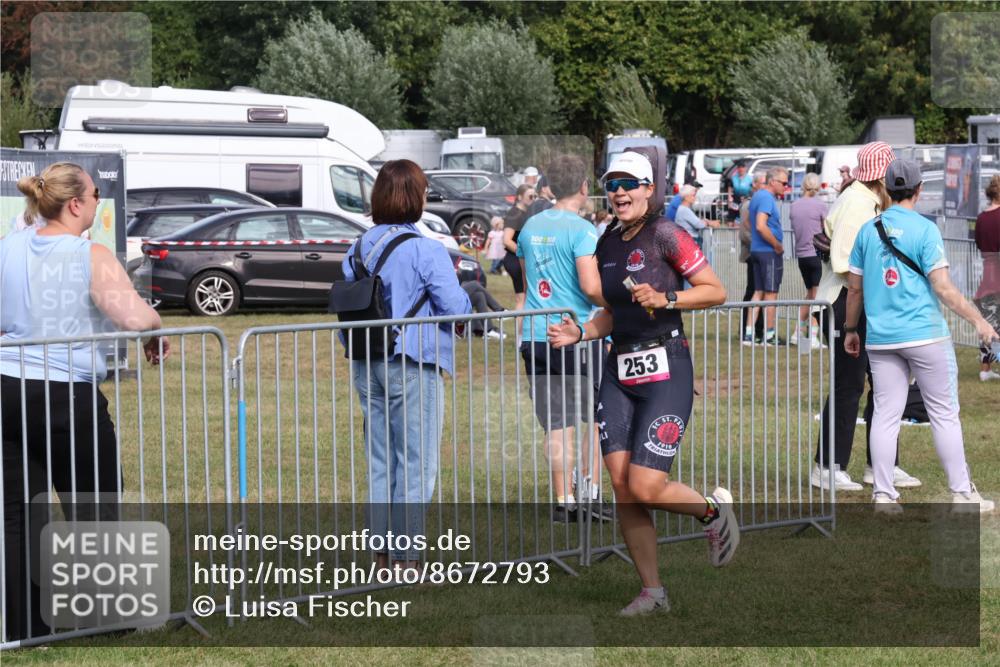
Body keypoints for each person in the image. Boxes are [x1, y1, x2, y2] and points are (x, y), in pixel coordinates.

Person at [548, 150, 738, 616]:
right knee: (622, 485)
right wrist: (582, 332)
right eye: (612, 184)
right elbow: (612, 312)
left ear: (649, 188)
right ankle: (653, 592)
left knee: (647, 485)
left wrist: (666, 296)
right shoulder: (607, 239)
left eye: (629, 184)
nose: (618, 192)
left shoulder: (667, 233)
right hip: (619, 370)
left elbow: (716, 290)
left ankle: (712, 512)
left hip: (666, 367)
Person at [2, 162, 168, 641]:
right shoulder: (89, 254)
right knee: (93, 506)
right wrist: (156, 327)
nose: (97, 201)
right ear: (76, 204)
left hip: (9, 391)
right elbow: (133, 318)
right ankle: (106, 620)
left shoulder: (8, 247)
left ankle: (24, 629)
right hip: (66, 396)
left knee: (20, 513)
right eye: (95, 194)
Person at [341, 159, 472, 572]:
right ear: (417, 197)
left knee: (381, 458)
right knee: (417, 461)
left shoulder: (358, 247)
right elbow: (454, 306)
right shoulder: (425, 248)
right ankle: (407, 558)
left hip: (366, 360)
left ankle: (381, 554)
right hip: (412, 361)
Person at [844, 159, 997, 513]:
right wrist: (978, 320)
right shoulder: (925, 229)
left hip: (882, 338)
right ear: (917, 190)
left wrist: (851, 329)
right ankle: (961, 493)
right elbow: (942, 287)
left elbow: (854, 289)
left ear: (885, 188)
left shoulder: (868, 230)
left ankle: (883, 495)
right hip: (925, 335)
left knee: (885, 415)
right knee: (944, 414)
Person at [813, 142, 919, 491]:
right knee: (849, 385)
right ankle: (828, 466)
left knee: (886, 384)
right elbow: (845, 263)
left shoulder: (869, 202)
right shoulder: (856, 203)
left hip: (865, 302)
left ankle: (882, 463)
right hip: (845, 302)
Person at [517, 154, 611, 522]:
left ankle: (564, 499)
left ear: (551, 186)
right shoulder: (583, 229)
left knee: (557, 422)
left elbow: (528, 283)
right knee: (595, 417)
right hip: (574, 336)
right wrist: (620, 301)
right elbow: (590, 287)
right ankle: (590, 491)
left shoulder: (529, 226)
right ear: (585, 187)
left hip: (536, 334)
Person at [745, 167, 789, 346]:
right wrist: (776, 245)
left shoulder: (757, 196)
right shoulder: (766, 198)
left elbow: (748, 221)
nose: (786, 187)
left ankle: (749, 334)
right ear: (773, 182)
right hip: (768, 252)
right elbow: (760, 226)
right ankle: (769, 335)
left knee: (758, 292)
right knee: (771, 294)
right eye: (784, 183)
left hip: (757, 250)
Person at [789, 172, 829, 349]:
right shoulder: (820, 206)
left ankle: (798, 332)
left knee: (810, 294)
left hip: (802, 256)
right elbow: (827, 228)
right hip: (816, 254)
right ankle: (812, 336)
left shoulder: (794, 205)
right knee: (817, 296)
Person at [974, 174, 1000, 381]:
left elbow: (980, 245)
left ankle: (985, 369)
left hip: (987, 275)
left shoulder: (981, 218)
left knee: (987, 324)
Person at [503, 184, 536, 333]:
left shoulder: (526, 214)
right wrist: (523, 253)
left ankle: (524, 335)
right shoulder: (514, 214)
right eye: (530, 196)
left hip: (520, 259)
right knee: (521, 299)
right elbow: (507, 240)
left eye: (534, 196)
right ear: (520, 197)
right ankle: (521, 337)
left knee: (525, 298)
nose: (533, 199)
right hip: (515, 260)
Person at [740, 172, 766, 343]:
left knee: (760, 291)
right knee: (754, 291)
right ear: (755, 184)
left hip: (758, 252)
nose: (765, 186)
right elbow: (745, 232)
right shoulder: (748, 205)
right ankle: (748, 330)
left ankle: (758, 330)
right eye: (763, 183)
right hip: (753, 253)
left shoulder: (758, 202)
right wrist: (759, 245)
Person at [673, 183, 721, 250]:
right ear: (686, 197)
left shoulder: (684, 209)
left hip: (688, 240)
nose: (695, 198)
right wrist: (709, 222)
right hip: (691, 241)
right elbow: (699, 224)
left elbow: (697, 222)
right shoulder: (684, 210)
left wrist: (707, 221)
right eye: (693, 195)